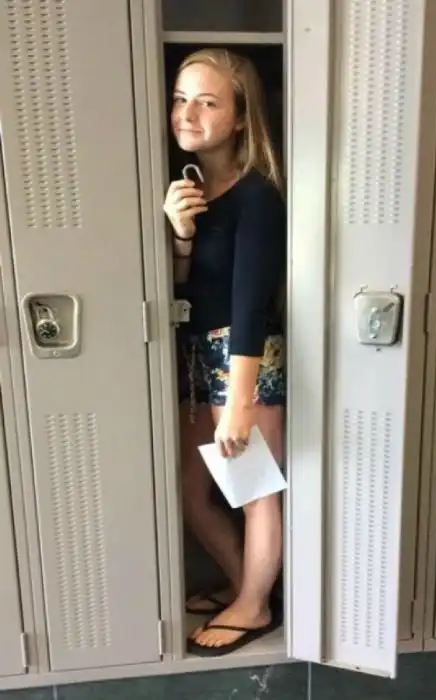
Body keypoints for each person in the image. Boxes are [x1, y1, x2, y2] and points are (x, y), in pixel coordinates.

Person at [163, 48, 286, 657]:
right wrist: (182, 236)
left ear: (239, 118)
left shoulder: (257, 196)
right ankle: (246, 587)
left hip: (243, 359)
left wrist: (239, 402)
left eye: (207, 102)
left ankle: (254, 606)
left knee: (254, 491)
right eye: (181, 98)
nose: (188, 113)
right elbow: (185, 292)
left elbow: (250, 305)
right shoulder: (189, 191)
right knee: (192, 492)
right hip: (197, 356)